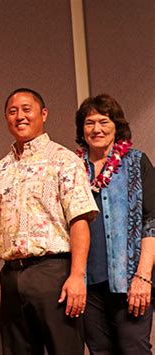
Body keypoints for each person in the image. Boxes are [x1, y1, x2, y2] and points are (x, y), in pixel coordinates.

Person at [0, 88, 98, 355]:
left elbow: (80, 220)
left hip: (54, 274)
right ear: (6, 118)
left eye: (27, 109)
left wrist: (77, 276)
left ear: (43, 114)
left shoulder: (64, 161)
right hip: (11, 277)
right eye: (13, 111)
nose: (20, 116)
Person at [75, 94, 154, 354]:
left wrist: (143, 277)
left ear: (116, 125)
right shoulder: (72, 168)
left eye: (104, 121)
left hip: (129, 280)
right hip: (88, 284)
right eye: (89, 123)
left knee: (134, 349)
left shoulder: (135, 162)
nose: (96, 129)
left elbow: (151, 222)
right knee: (99, 351)